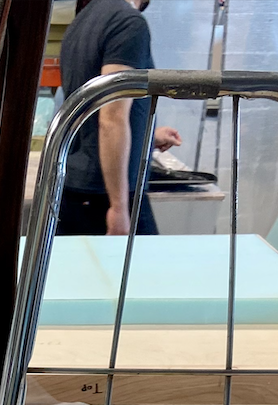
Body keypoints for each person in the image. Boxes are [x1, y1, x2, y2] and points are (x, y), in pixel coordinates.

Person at [58, 0, 183, 235]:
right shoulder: (128, 23)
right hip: (105, 193)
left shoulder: (83, 20)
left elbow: (93, 114)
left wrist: (147, 136)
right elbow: (111, 117)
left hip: (80, 187)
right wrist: (118, 207)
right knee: (141, 271)